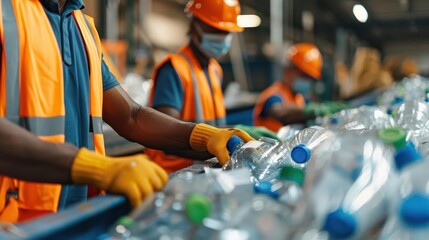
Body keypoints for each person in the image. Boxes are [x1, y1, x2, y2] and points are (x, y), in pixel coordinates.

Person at [0, 0, 252, 223]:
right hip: (14, 221)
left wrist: (205, 136)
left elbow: (130, 116)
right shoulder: (6, 13)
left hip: (75, 216)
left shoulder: (81, 26)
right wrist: (97, 168)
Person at [145, 0, 277, 173]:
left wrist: (234, 132)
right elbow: (165, 136)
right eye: (215, 30)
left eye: (226, 32)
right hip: (173, 174)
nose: (221, 36)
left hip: (205, 168)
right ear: (194, 26)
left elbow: (211, 123)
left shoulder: (215, 69)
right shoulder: (174, 69)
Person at [253, 43, 347, 132]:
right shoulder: (273, 95)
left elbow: (306, 110)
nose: (306, 82)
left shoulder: (299, 98)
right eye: (303, 76)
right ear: (288, 70)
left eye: (309, 78)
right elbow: (279, 112)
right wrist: (316, 110)